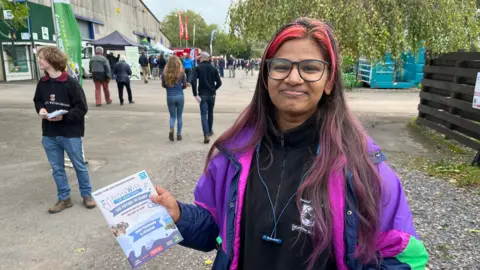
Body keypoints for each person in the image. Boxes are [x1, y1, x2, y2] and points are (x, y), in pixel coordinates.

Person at [150, 17, 428, 269]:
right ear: (266, 76)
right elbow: (214, 228)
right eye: (281, 66)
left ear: (329, 81)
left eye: (310, 68)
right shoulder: (233, 155)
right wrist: (178, 215)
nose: (293, 78)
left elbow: (401, 256)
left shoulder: (364, 167)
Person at [33, 46, 95, 214]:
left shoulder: (71, 83)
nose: (38, 60)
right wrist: (41, 110)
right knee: (57, 168)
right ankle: (64, 198)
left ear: (51, 60)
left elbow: (82, 108)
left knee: (79, 165)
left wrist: (64, 117)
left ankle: (87, 195)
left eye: (41, 57)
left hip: (70, 133)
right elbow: (38, 101)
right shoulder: (43, 83)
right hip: (49, 134)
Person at [191, 52, 222, 144]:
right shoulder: (213, 68)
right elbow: (219, 83)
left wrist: (195, 94)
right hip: (212, 95)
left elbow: (193, 81)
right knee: (211, 113)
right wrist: (214, 90)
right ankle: (209, 131)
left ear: (203, 58)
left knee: (204, 114)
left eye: (200, 58)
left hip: (202, 94)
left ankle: (206, 134)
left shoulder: (198, 68)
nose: (199, 59)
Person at [161, 55, 187, 142]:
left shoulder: (164, 73)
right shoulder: (182, 73)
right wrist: (180, 87)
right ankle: (179, 135)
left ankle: (171, 129)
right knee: (179, 116)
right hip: (180, 96)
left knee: (172, 116)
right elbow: (185, 85)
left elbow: (163, 85)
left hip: (170, 96)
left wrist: (169, 87)